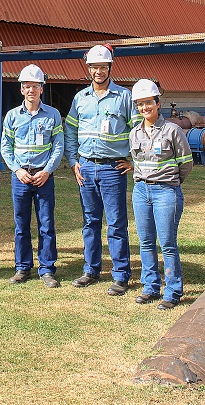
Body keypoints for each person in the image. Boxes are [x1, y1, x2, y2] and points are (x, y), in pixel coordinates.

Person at [64, 44, 135, 296]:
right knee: (90, 222)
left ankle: (120, 275)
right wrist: (73, 162)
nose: (98, 71)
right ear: (89, 69)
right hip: (86, 168)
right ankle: (91, 270)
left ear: (109, 68)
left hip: (112, 169)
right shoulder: (80, 99)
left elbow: (139, 130)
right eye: (94, 67)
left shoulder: (124, 97)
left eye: (103, 67)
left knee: (116, 224)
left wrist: (133, 161)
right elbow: (70, 131)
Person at [129, 79, 193, 310]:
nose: (145, 108)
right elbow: (136, 162)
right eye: (140, 104)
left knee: (167, 243)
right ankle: (150, 287)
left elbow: (186, 164)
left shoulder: (172, 131)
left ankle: (173, 290)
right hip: (141, 191)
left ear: (158, 103)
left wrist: (171, 183)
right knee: (146, 242)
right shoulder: (134, 133)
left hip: (166, 191)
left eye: (148, 103)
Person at [0, 64, 64, 288]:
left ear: (41, 88)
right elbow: (5, 147)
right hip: (21, 179)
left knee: (46, 224)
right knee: (21, 224)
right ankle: (22, 267)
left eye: (35, 86)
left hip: (43, 178)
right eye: (26, 86)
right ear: (21, 89)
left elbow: (58, 146)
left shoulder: (53, 115)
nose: (31, 90)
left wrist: (47, 171)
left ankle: (47, 269)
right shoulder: (12, 116)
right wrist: (17, 170)